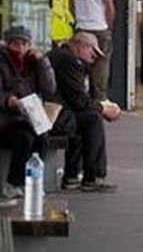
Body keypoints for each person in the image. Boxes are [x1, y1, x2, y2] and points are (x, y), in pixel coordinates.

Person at [48, 32, 121, 193]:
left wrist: (104, 106)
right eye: (92, 52)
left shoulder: (76, 62)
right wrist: (103, 110)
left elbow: (86, 98)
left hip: (59, 113)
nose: (94, 57)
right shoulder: (68, 62)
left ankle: (72, 176)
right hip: (53, 116)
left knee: (85, 118)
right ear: (81, 47)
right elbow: (78, 100)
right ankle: (93, 176)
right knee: (92, 120)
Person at [0, 26, 56, 197]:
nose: (21, 49)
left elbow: (49, 89)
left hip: (28, 117)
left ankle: (34, 181)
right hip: (6, 119)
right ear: (8, 44)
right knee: (24, 138)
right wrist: (8, 100)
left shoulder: (34, 62)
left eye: (24, 44)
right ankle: (13, 183)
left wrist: (42, 63)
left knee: (42, 137)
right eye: (16, 44)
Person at [69, 0, 116, 101]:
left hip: (81, 29)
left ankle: (80, 98)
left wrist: (79, 19)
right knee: (101, 64)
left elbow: (71, 5)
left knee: (79, 65)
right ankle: (99, 99)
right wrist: (109, 27)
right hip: (99, 28)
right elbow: (109, 6)